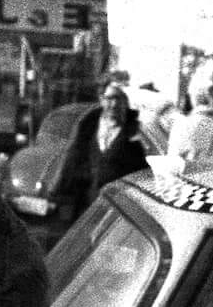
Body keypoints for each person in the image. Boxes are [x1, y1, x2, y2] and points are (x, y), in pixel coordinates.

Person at [57, 81, 152, 218]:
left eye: (119, 99)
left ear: (126, 102)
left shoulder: (136, 130)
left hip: (117, 208)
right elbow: (72, 160)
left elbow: (143, 170)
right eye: (110, 98)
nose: (114, 104)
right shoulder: (88, 126)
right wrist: (61, 194)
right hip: (87, 204)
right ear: (102, 99)